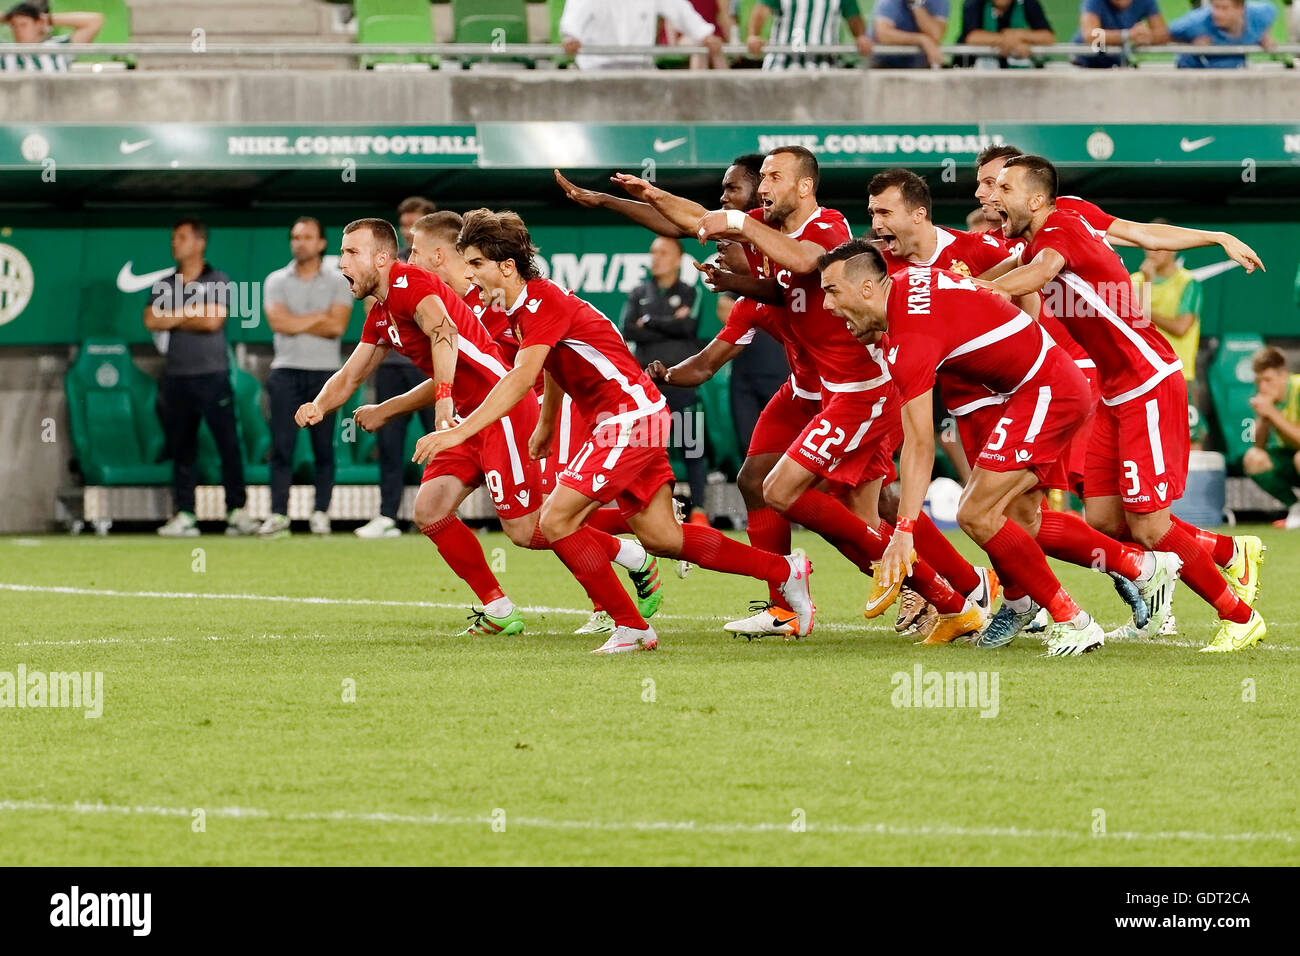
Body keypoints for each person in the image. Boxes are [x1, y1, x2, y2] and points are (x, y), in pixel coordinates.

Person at [412, 208, 816, 654]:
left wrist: (458, 430)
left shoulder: (541, 302)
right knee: (664, 538)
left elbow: (522, 376)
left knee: (556, 519)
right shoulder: (522, 307)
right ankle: (785, 570)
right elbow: (550, 366)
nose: (469, 275)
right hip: (637, 417)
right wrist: (546, 424)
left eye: (475, 264)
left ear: (506, 266)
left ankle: (631, 625)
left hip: (628, 420)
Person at [298, 218, 663, 640]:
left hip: (499, 415)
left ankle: (631, 554)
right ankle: (499, 608)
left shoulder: (409, 284)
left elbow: (444, 334)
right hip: (466, 419)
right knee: (429, 509)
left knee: (527, 531)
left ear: (382, 258)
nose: (341, 261)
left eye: (349, 252)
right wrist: (319, 406)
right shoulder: (382, 312)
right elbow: (351, 375)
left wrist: (442, 403)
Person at [693, 148, 995, 644]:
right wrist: (633, 198)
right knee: (774, 484)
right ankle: (796, 602)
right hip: (812, 397)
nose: (727, 226)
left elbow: (1012, 277)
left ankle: (955, 586)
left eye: (749, 188)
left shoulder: (824, 236)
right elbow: (711, 353)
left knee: (862, 504)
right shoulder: (767, 284)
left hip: (864, 392)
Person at [819, 243, 1172, 655]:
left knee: (975, 513)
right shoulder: (905, 283)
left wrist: (905, 531)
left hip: (1047, 391)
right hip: (1032, 388)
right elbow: (981, 291)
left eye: (831, 291)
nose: (826, 305)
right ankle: (1136, 569)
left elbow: (919, 443)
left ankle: (1073, 619)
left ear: (865, 289)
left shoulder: (908, 342)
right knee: (1020, 517)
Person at [990, 155, 1265, 653]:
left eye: (1002, 187)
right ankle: (1229, 549)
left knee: (1150, 524)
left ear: (1035, 199)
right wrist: (1215, 237)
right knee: (1104, 520)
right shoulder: (1064, 213)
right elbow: (1144, 234)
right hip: (1115, 391)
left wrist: (978, 290)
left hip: (1148, 383)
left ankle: (1239, 615)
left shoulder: (1055, 237)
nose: (991, 197)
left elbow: (1037, 273)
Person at [145, 219, 257, 538]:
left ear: (199, 242)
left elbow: (212, 322)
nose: (174, 243)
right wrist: (192, 312)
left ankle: (236, 511)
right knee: (182, 448)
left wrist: (174, 316)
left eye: (181, 237)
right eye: (173, 237)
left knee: (228, 445)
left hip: (213, 376)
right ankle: (184, 513)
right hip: (177, 378)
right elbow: (151, 319)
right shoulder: (164, 282)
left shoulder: (217, 278)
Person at [257, 217, 353, 538]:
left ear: (322, 243)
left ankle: (320, 513)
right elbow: (278, 323)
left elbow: (336, 327)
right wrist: (318, 318)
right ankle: (279, 516)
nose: (301, 243)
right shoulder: (275, 280)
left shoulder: (339, 281)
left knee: (323, 449)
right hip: (284, 372)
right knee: (282, 447)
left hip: (326, 376)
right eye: (296, 237)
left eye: (308, 237)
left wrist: (296, 320)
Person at [356, 196, 438, 539]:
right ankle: (387, 515)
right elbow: (373, 314)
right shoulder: (387, 263)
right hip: (392, 362)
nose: (408, 232)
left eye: (415, 225)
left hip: (431, 365)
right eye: (404, 225)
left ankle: (443, 510)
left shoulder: (440, 265)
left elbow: (439, 320)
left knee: (440, 435)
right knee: (389, 440)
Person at [621, 237, 710, 524]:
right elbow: (628, 330)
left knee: (693, 447)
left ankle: (698, 510)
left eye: (662, 252)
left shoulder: (690, 292)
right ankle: (645, 511)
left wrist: (649, 321)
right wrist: (669, 323)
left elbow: (689, 326)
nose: (656, 257)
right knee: (642, 451)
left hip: (682, 386)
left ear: (676, 259)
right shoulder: (638, 292)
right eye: (653, 252)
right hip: (648, 392)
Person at [1130, 235, 1209, 450]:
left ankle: (1193, 484)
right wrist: (1146, 283)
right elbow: (1134, 327)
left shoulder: (1187, 282)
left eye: (1158, 247)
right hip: (1144, 375)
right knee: (1148, 440)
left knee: (1190, 439)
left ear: (1173, 249)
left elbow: (1182, 327)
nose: (1152, 252)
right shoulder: (1134, 281)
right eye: (1148, 248)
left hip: (1181, 374)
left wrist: (1145, 311)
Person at [559, 0, 723, 71]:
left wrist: (704, 34)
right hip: (595, 71)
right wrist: (571, 38)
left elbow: (679, 9)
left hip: (641, 69)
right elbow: (573, 20)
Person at [1243, 346, 1300, 529]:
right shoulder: (1270, 398)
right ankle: (1297, 507)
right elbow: (1259, 445)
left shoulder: (1298, 388)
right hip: (1291, 457)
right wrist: (1264, 416)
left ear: (1283, 375)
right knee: (1254, 459)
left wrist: (1272, 413)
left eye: (1268, 380)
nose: (1262, 387)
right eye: (1259, 381)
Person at [747, 0, 873, 70]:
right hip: (781, 64)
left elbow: (854, 18)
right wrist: (753, 36)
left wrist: (860, 37)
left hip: (824, 65)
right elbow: (761, 11)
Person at [1168, 0, 1277, 68]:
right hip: (1198, 70)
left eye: (1224, 8)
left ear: (1240, 9)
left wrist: (1263, 34)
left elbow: (1268, 17)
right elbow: (1164, 34)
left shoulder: (1262, 14)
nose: (1217, 14)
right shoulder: (1196, 22)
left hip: (1233, 67)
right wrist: (1190, 45)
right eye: (1215, 7)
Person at [0, 2, 101, 73]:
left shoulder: (57, 47)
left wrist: (48, 20)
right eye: (13, 25)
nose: (18, 30)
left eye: (23, 25)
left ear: (38, 24)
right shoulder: (5, 51)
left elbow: (94, 22)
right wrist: (6, 17)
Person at [1072, 0, 1168, 68]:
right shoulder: (1093, 2)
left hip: (1117, 64)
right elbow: (1090, 36)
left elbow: (1162, 35)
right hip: (1085, 63)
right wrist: (1127, 35)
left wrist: (1146, 36)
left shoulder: (1146, 2)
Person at [958, 0, 1054, 67]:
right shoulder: (974, 3)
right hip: (975, 70)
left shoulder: (1027, 3)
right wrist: (1009, 41)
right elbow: (972, 37)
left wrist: (1018, 35)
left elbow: (1048, 37)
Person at [870, 0, 950, 68]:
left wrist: (915, 4)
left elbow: (936, 35)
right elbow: (883, 35)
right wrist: (922, 39)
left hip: (919, 66)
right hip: (883, 64)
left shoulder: (940, 2)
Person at [660, 0, 731, 69]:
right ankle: (699, 79)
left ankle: (726, 80)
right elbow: (670, 18)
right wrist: (673, 44)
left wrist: (730, 42)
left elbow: (724, 16)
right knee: (699, 45)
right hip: (685, 37)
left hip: (710, 35)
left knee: (715, 47)